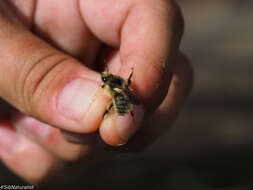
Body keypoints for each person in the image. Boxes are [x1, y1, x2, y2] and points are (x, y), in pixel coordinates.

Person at [0, 0, 193, 186]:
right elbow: (125, 89)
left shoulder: (110, 85)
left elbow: (116, 90)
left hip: (120, 103)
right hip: (122, 103)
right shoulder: (118, 83)